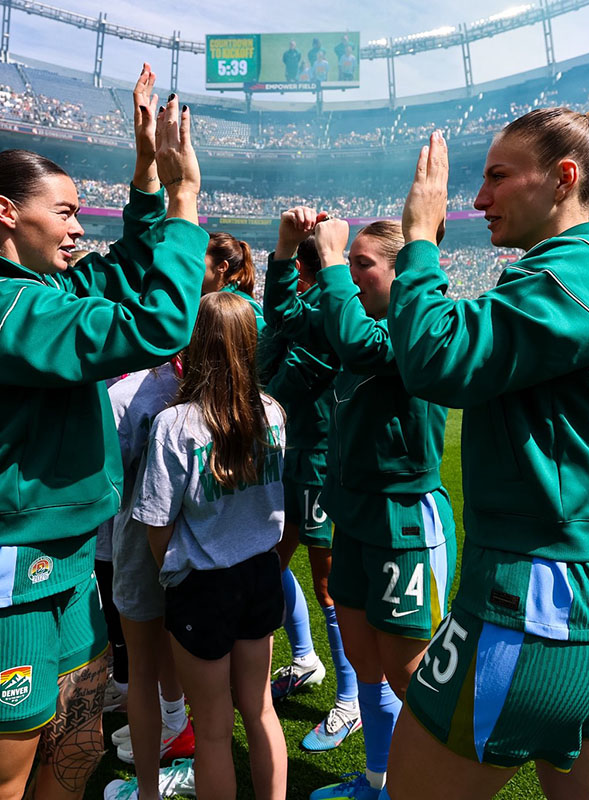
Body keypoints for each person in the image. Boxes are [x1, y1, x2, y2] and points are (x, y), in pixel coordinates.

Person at [0, 66, 206, 800]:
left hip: (70, 564)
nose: (80, 228)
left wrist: (145, 173)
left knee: (71, 759)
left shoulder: (35, 293)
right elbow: (157, 319)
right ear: (8, 213)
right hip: (3, 580)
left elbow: (126, 271)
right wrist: (183, 201)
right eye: (68, 212)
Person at [383, 114, 589, 799]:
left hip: (539, 604)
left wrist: (419, 241)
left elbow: (437, 357)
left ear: (564, 179)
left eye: (498, 176)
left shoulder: (584, 264)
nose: (478, 199)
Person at [308, 218, 455, 800]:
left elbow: (354, 343)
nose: (352, 271)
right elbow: (299, 326)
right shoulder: (356, 320)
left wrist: (332, 262)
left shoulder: (412, 329)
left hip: (404, 522)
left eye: (364, 262)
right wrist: (286, 258)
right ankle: (379, 781)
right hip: (356, 518)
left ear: (402, 271)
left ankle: (427, 788)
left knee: (410, 674)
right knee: (365, 661)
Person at [134, 291, 288, 800]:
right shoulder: (273, 412)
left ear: (196, 343)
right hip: (261, 575)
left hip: (205, 583)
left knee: (215, 730)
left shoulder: (175, 425)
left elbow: (157, 524)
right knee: (261, 709)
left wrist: (174, 573)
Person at [263, 215, 361, 751]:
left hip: (322, 462)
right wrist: (283, 248)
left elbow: (283, 317)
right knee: (267, 561)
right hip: (290, 454)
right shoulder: (311, 309)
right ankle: (305, 659)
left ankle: (350, 701)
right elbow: (278, 312)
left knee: (328, 584)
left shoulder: (336, 307)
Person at [103, 358, 196, 800]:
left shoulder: (130, 395)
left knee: (143, 664)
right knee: (224, 688)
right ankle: (174, 722)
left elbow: (104, 480)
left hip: (149, 542)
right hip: (217, 556)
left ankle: (147, 790)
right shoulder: (260, 403)